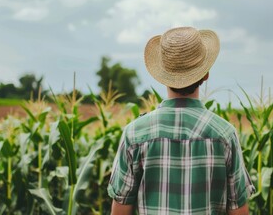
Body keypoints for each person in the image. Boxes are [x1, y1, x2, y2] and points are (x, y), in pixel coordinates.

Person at [107, 27, 255, 215]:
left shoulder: (135, 134)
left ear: (163, 77)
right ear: (206, 74)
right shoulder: (225, 134)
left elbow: (120, 209)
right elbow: (238, 210)